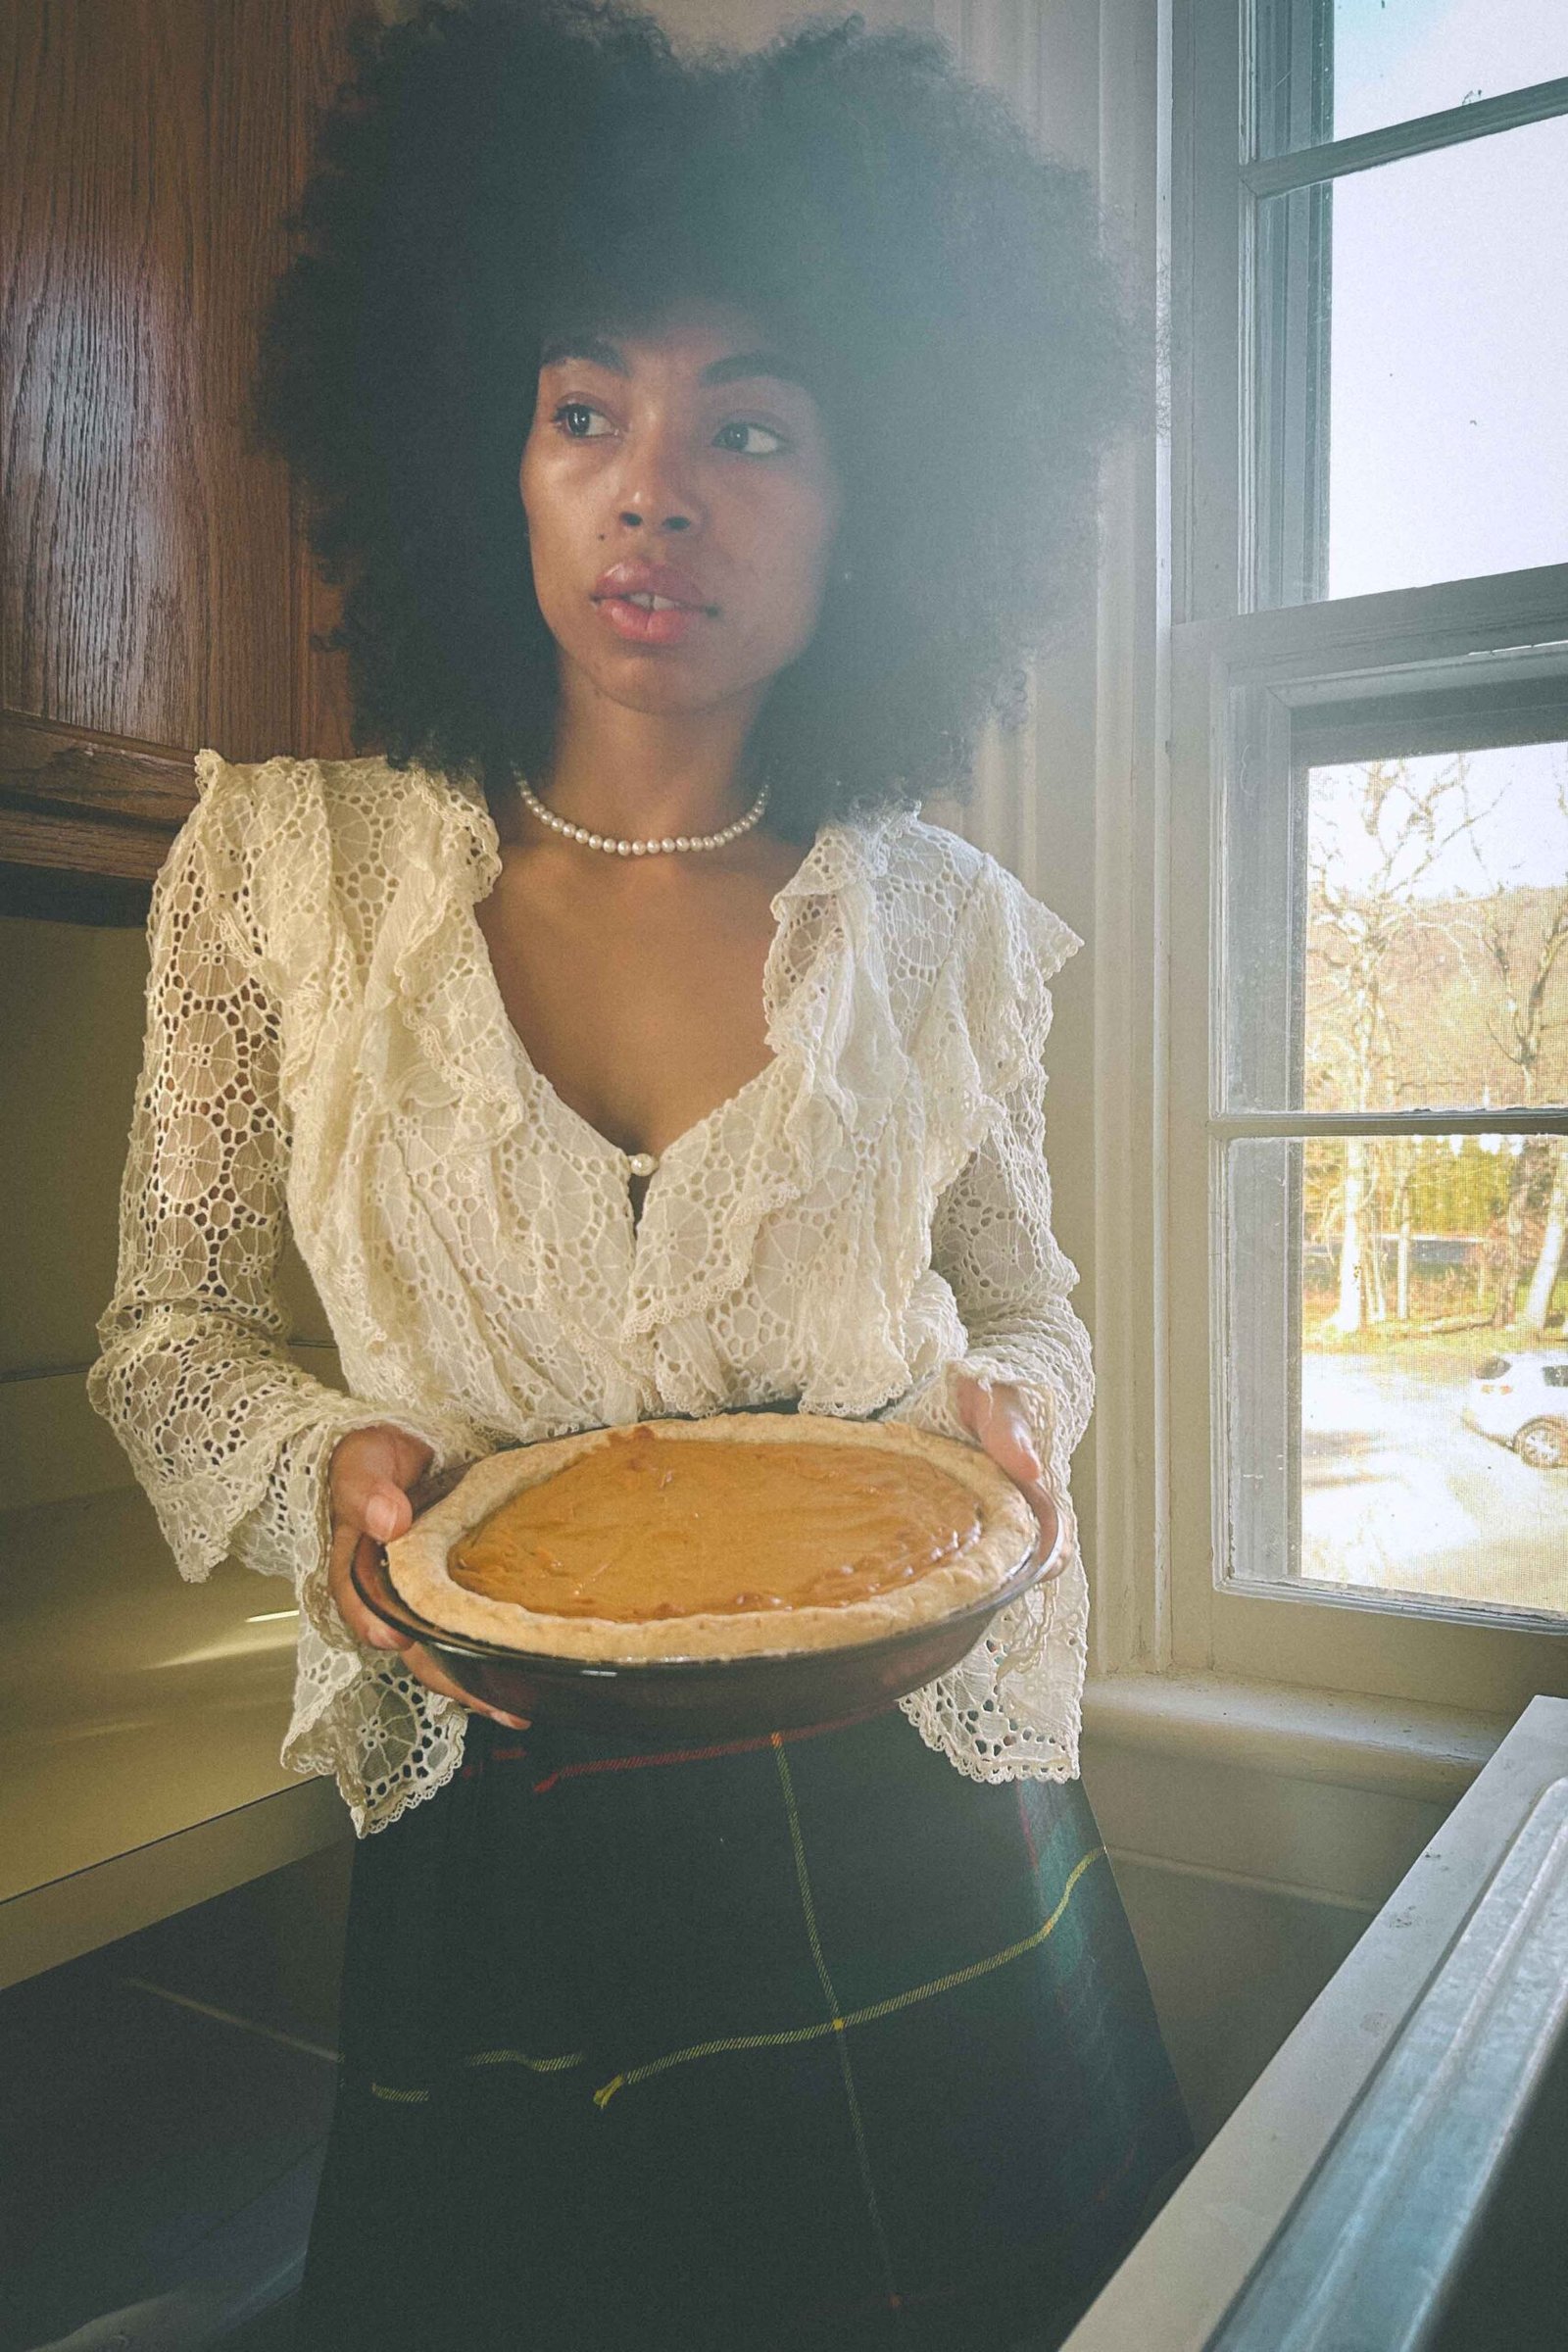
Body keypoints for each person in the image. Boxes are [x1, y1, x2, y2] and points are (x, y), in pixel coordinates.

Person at [86, 3, 1193, 2345]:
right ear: (481, 451)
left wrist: (1020, 1424)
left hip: (914, 1838)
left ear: (888, 504)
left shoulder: (941, 929)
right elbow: (175, 1331)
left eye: (751, 429)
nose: (651, 487)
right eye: (583, 408)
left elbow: (1030, 1309)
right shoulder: (275, 876)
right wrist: (327, 1466)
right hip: (501, 1855)